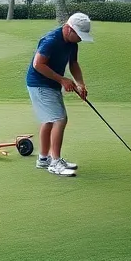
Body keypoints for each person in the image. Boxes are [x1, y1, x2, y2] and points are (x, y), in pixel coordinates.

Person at [27, 12, 92, 178]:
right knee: (59, 119)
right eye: (79, 35)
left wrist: (80, 84)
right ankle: (54, 162)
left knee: (49, 120)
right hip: (39, 83)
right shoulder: (50, 41)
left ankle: (43, 159)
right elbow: (38, 64)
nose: (80, 39)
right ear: (69, 29)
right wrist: (62, 80)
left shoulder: (72, 43)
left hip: (50, 84)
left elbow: (74, 64)